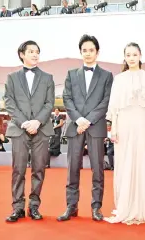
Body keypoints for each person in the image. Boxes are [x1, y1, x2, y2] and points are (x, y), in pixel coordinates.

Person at [104, 43, 145, 225]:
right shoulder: (119, 79)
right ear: (124, 57)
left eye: (134, 54)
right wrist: (113, 130)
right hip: (124, 125)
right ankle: (127, 205)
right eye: (128, 55)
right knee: (126, 162)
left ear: (140, 56)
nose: (131, 58)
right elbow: (114, 108)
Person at [58, 34, 113, 222]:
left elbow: (106, 102)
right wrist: (79, 119)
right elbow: (67, 99)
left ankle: (96, 207)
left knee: (98, 169)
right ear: (80, 53)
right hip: (75, 127)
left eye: (91, 50)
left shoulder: (106, 76)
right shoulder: (71, 74)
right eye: (84, 51)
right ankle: (71, 207)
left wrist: (88, 121)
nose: (88, 54)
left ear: (97, 52)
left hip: (95, 127)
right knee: (72, 168)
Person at [4, 40, 55, 222]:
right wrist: (25, 122)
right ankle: (17, 207)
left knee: (39, 169)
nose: (35, 54)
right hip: (19, 129)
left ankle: (34, 206)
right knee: (18, 169)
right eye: (31, 51)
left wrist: (37, 122)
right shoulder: (12, 77)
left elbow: (50, 103)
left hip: (41, 129)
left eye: (37, 52)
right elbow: (9, 102)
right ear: (22, 54)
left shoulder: (48, 78)